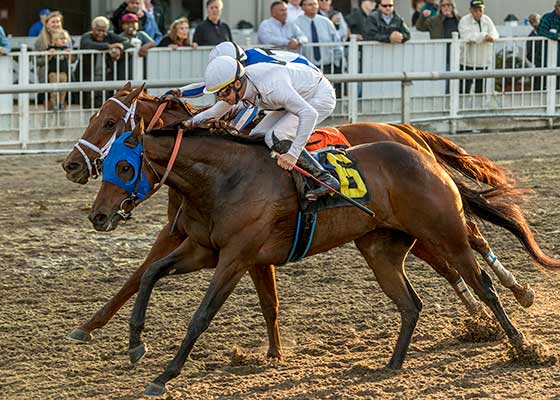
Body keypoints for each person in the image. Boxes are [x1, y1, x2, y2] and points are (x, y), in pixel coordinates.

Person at [187, 55, 340, 198]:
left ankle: (324, 177)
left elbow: (309, 114)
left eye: (223, 93)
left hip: (318, 97)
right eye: (217, 95)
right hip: (294, 98)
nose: (222, 99)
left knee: (275, 137)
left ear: (237, 83)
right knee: (256, 136)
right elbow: (216, 111)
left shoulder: (271, 87)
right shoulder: (241, 85)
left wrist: (293, 154)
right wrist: (188, 123)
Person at [80, 16, 128, 107]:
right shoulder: (86, 36)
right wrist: (109, 46)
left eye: (104, 31)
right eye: (98, 30)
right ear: (93, 29)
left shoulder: (109, 35)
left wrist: (119, 48)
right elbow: (87, 44)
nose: (101, 33)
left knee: (107, 103)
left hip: (107, 75)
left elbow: (126, 41)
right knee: (88, 103)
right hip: (89, 75)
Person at [458, 0, 499, 94]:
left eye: (480, 10)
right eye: (475, 10)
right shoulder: (464, 20)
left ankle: (478, 108)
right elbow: (467, 36)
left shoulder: (487, 19)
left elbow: (495, 33)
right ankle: (463, 108)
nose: (478, 12)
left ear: (483, 10)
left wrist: (492, 37)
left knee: (480, 90)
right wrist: (484, 36)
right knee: (464, 89)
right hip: (467, 61)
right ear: (470, 10)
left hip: (482, 61)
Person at [34, 12, 72, 83]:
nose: (56, 24)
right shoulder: (40, 40)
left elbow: (73, 59)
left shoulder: (66, 36)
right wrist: (48, 55)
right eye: (53, 22)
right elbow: (36, 61)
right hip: (47, 75)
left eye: (58, 22)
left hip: (65, 74)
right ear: (47, 24)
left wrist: (69, 54)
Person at [46, 30, 73, 110]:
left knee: (63, 89)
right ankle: (54, 104)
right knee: (53, 90)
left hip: (63, 71)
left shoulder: (66, 49)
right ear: (55, 40)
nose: (64, 41)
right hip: (53, 72)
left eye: (65, 39)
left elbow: (70, 60)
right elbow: (47, 59)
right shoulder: (51, 48)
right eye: (61, 39)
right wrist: (50, 54)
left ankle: (61, 103)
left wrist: (68, 54)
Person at [527, 13, 543, 89]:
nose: (533, 22)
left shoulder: (546, 33)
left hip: (551, 63)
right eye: (531, 20)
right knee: (538, 88)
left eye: (535, 19)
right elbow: (529, 54)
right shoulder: (531, 36)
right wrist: (537, 61)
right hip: (539, 65)